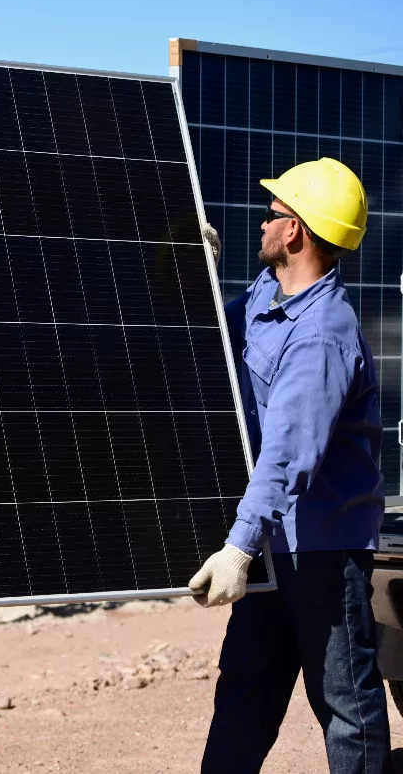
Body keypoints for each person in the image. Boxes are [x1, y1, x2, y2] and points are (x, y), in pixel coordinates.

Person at [190, 157, 390, 774]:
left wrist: (238, 548)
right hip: (272, 544)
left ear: (296, 231)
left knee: (346, 708)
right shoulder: (267, 295)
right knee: (245, 690)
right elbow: (217, 342)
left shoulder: (324, 334)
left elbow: (289, 455)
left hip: (324, 550)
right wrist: (195, 279)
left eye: (273, 213)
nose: (261, 222)